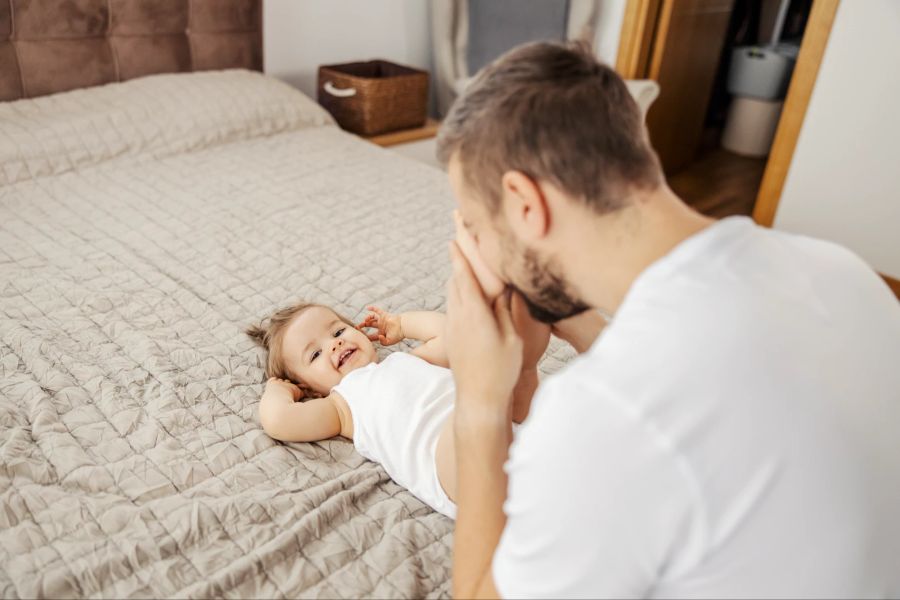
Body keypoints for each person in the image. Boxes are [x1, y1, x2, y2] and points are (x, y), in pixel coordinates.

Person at [438, 40, 900, 598]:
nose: (481, 253)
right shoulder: (843, 270)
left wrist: (479, 401)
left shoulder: (602, 412)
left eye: (478, 230)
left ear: (525, 203)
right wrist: (589, 327)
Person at [245, 288, 549, 519]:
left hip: (510, 434)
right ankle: (498, 381)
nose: (335, 344)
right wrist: (276, 391)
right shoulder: (341, 406)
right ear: (307, 389)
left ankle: (523, 360)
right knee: (483, 391)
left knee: (516, 379)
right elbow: (278, 420)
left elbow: (448, 335)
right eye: (314, 355)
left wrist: (402, 324)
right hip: (450, 467)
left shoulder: (405, 361)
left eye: (338, 331)